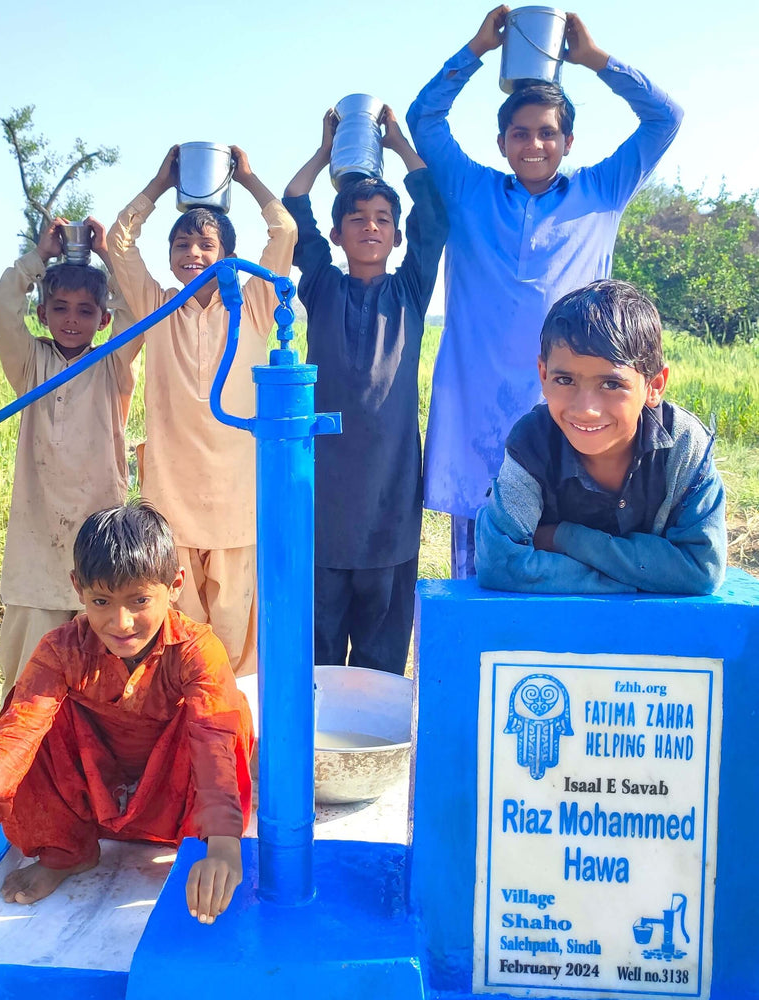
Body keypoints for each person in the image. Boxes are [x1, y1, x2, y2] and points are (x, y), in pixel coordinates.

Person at [406, 5, 684, 578]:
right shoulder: (469, 189)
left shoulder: (602, 189)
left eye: (547, 133)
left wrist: (596, 60)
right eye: (521, 133)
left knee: (572, 560)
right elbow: (424, 118)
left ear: (568, 140)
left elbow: (666, 119)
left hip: (575, 415)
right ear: (502, 140)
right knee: (480, 568)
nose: (534, 144)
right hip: (479, 411)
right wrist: (477, 49)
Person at [0, 502, 254, 947]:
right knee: (27, 713)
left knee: (223, 716)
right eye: (101, 602)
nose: (121, 622)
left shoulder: (195, 650)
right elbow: (16, 737)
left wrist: (225, 844)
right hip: (96, 780)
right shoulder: (61, 649)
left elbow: (213, 745)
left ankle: (197, 845)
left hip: (172, 789)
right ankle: (66, 851)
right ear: (77, 589)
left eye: (139, 600)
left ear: (174, 586)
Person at [108, 146, 296, 677]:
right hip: (172, 504)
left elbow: (282, 234)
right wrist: (159, 183)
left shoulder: (257, 305)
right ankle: (187, 745)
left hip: (237, 505)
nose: (192, 252)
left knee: (236, 640)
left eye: (206, 244)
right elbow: (119, 243)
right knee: (181, 642)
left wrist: (253, 181)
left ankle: (237, 744)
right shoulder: (157, 306)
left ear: (229, 255)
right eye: (182, 243)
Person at [282, 108, 447, 673]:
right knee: (320, 649)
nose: (371, 226)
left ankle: (374, 753)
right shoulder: (322, 287)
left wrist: (398, 141)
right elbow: (294, 205)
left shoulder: (410, 291)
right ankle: (320, 754)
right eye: (357, 218)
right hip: (325, 497)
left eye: (382, 218)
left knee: (381, 654)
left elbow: (435, 215)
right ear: (337, 234)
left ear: (397, 236)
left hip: (391, 498)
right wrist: (326, 148)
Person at [474, 280, 726, 594]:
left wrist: (564, 538)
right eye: (565, 380)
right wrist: (637, 579)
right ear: (543, 375)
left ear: (655, 385)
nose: (586, 410)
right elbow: (499, 563)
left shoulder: (684, 445)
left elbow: (702, 569)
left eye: (611, 384)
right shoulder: (533, 442)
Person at [0, 217, 142, 703]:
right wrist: (40, 257)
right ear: (43, 311)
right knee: (32, 639)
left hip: (96, 521)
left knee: (97, 627)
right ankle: (19, 728)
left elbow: (138, 309)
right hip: (38, 528)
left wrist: (109, 257)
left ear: (102, 318)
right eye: (59, 308)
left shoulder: (114, 359)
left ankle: (90, 729)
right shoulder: (31, 363)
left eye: (84, 310)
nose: (71, 319)